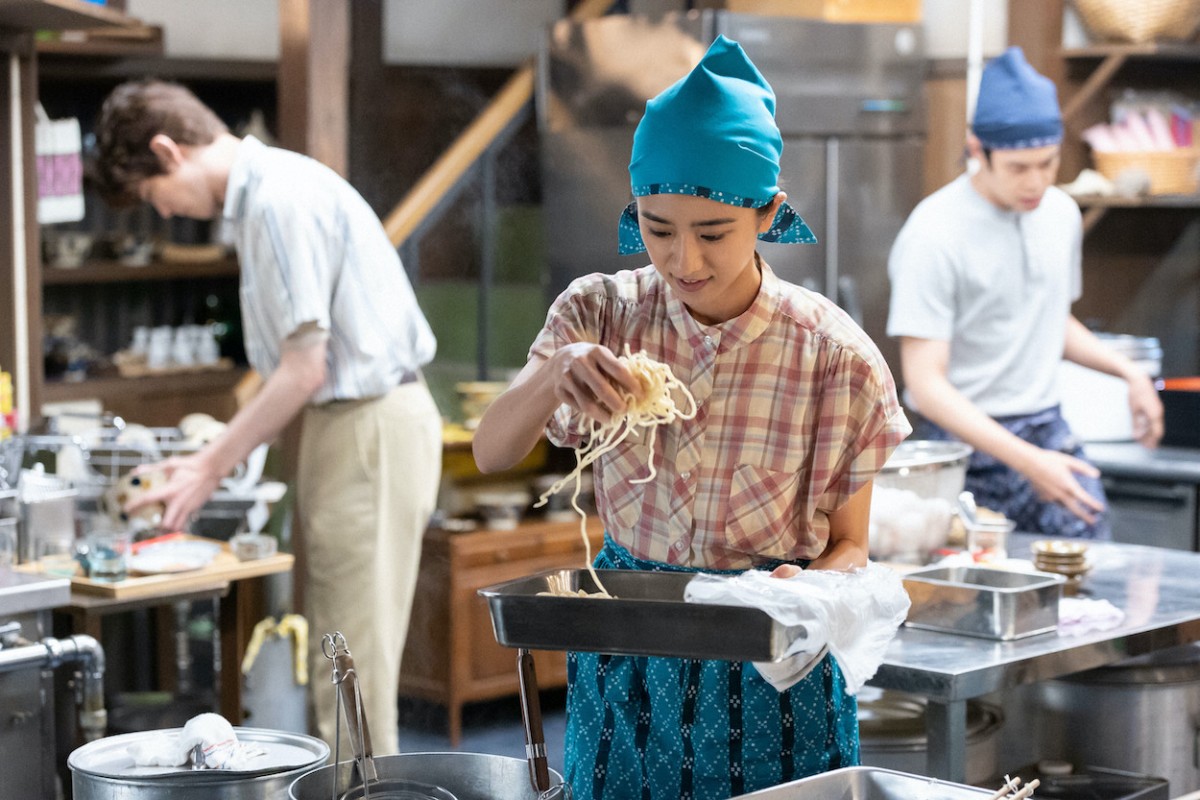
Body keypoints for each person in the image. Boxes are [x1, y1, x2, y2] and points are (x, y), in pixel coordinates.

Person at [473, 37, 910, 800]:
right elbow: (491, 451)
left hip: (767, 663)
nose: (683, 261)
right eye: (656, 226)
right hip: (627, 649)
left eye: (713, 233)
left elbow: (850, 545)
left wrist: (802, 589)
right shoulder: (601, 313)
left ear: (768, 213)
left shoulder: (833, 357)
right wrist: (556, 371)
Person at [91, 80, 443, 754]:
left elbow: (304, 368)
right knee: (337, 655)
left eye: (149, 196)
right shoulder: (268, 195)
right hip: (348, 424)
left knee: (351, 672)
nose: (164, 213)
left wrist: (206, 467)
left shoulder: (279, 199)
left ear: (168, 150)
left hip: (368, 424)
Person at [887, 47, 1163, 540]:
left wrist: (1130, 374)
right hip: (966, 440)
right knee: (973, 592)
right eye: (1018, 167)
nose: (1036, 182)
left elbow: (1049, 319)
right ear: (977, 149)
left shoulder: (1060, 215)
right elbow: (926, 385)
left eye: (1047, 163)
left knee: (1093, 566)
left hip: (1045, 427)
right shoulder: (934, 233)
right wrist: (1026, 461)